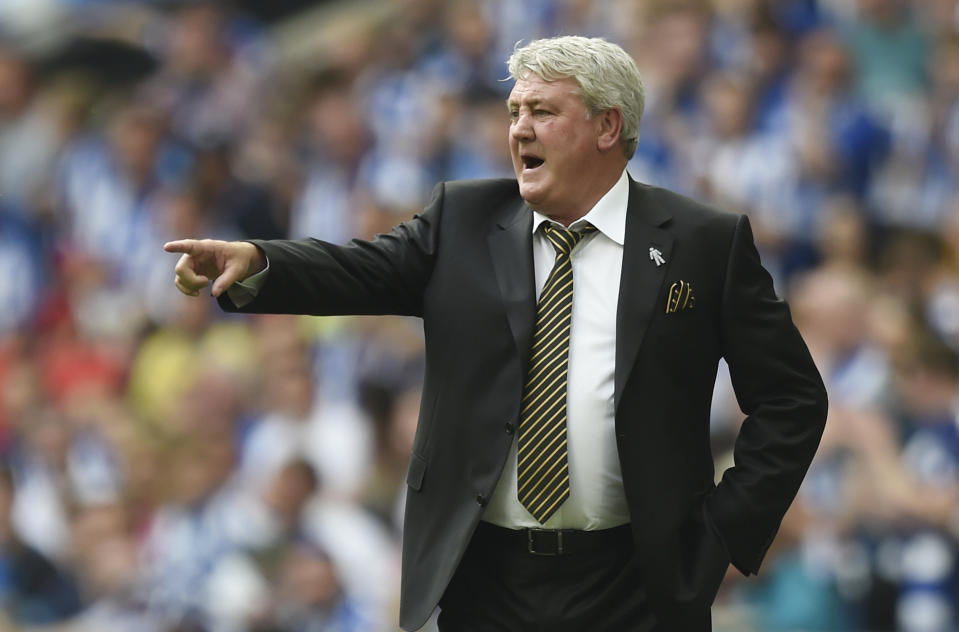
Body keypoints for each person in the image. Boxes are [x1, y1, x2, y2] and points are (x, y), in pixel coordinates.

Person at [165, 36, 828, 632]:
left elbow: (791, 399)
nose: (518, 130)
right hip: (487, 578)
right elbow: (361, 270)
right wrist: (259, 262)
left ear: (607, 126)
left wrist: (720, 532)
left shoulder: (701, 242)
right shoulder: (463, 219)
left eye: (542, 112)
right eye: (514, 112)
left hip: (638, 582)